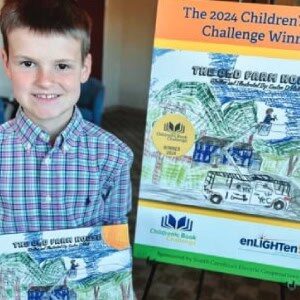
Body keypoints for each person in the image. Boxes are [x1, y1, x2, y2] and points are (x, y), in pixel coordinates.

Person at [0, 0, 133, 234]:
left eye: (62, 66)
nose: (45, 81)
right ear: (7, 63)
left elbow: (114, 236)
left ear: (85, 67)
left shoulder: (114, 157)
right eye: (28, 63)